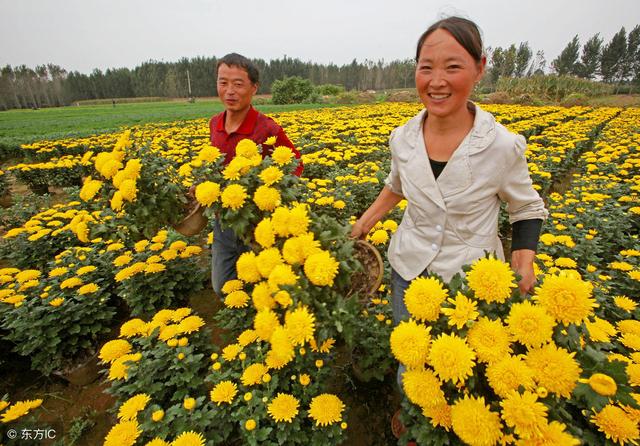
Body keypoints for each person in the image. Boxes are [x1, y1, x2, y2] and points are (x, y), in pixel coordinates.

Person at [350, 17, 547, 437]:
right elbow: (396, 186)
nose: (437, 81)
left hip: (471, 277)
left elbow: (527, 208)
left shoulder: (501, 145)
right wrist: (363, 223)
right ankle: (414, 408)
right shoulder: (402, 137)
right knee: (412, 351)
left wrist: (523, 260)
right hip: (410, 267)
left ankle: (455, 421)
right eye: (426, 66)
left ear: (480, 67)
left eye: (453, 66)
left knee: (466, 361)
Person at [208, 53, 302, 296]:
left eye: (238, 84)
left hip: (258, 222)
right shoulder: (214, 124)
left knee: (265, 285)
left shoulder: (267, 128)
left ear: (254, 88)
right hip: (224, 220)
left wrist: (274, 191)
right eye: (223, 82)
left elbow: (295, 164)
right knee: (222, 287)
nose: (229, 91)